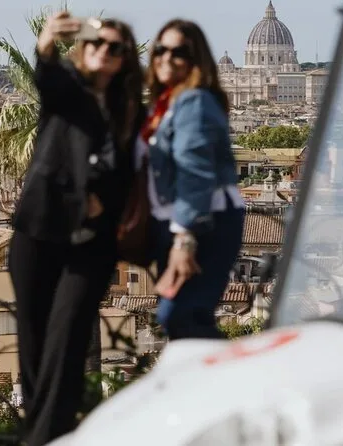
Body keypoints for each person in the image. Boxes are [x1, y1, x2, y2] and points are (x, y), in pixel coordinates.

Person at [8, 12, 143, 445]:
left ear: (124, 58)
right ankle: (44, 432)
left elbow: (130, 175)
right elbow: (47, 76)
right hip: (40, 228)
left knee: (67, 338)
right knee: (32, 340)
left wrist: (103, 199)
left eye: (114, 47)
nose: (104, 50)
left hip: (93, 240)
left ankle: (46, 437)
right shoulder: (66, 91)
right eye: (96, 43)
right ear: (84, 48)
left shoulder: (130, 112)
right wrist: (47, 39)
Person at [141, 18, 245, 340]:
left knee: (183, 316)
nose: (167, 58)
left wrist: (184, 239)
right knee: (178, 317)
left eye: (179, 52)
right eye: (161, 50)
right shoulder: (168, 103)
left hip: (203, 223)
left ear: (195, 60)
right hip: (185, 222)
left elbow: (195, 172)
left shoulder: (193, 101)